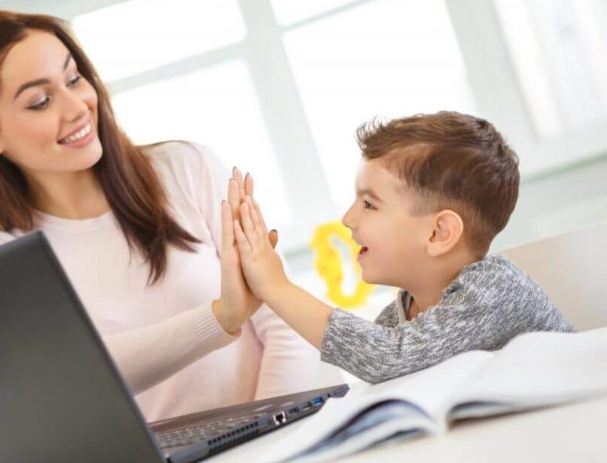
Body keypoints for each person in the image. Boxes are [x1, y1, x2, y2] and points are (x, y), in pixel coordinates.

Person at [0, 7, 316, 421]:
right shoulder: (1, 264)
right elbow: (80, 383)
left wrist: (268, 447)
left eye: (73, 79)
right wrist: (221, 317)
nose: (77, 106)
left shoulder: (185, 169)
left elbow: (288, 323)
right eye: (41, 101)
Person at [225, 111, 574, 384]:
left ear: (439, 233)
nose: (348, 218)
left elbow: (386, 358)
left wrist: (275, 285)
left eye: (369, 204)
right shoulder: (400, 314)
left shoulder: (495, 288)